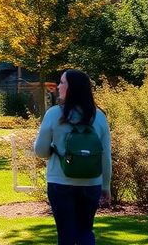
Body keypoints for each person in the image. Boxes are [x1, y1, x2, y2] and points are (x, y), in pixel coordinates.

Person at [33, 69, 111, 245]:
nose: (58, 86)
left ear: (71, 88)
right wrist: (106, 185)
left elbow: (41, 151)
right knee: (85, 230)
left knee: (66, 233)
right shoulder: (99, 116)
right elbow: (105, 155)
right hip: (92, 184)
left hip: (60, 182)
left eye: (62, 82)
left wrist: (53, 150)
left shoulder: (54, 114)